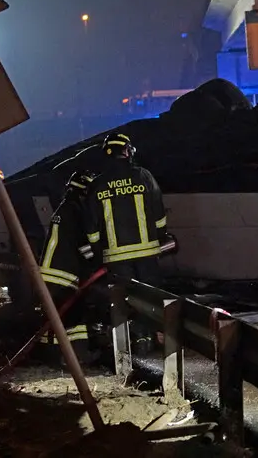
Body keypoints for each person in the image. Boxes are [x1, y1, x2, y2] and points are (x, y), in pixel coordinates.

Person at [83, 132, 167, 352]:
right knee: (150, 296)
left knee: (125, 299)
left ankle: (136, 341)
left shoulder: (98, 185)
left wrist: (98, 253)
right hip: (147, 253)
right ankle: (153, 337)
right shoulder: (144, 177)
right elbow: (158, 211)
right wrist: (162, 237)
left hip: (116, 257)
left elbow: (91, 227)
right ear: (127, 151)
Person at [37, 170, 98, 365]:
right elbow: (84, 246)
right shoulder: (77, 212)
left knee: (54, 320)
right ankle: (80, 357)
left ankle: (51, 357)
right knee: (75, 318)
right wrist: (99, 262)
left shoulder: (63, 209)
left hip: (48, 275)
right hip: (63, 276)